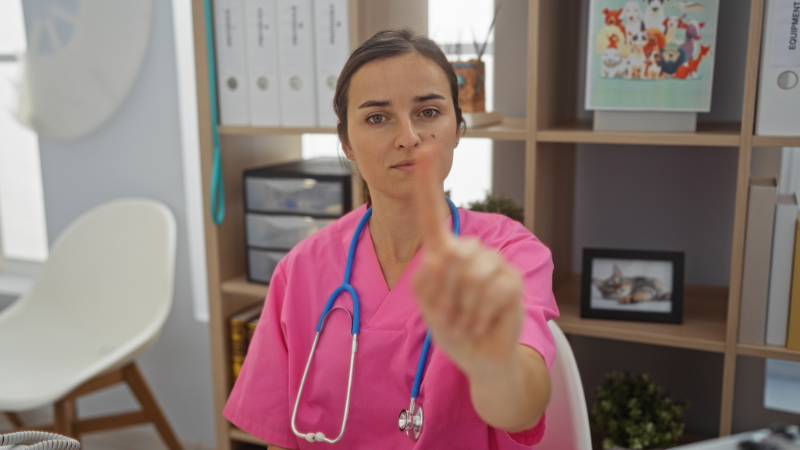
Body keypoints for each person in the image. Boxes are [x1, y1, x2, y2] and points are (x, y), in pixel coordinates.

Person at [223, 28, 560, 449]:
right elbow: (280, 436)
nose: (408, 137)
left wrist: (489, 354)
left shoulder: (509, 253)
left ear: (458, 128)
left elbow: (522, 410)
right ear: (346, 142)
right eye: (377, 117)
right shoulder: (301, 269)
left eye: (429, 112)